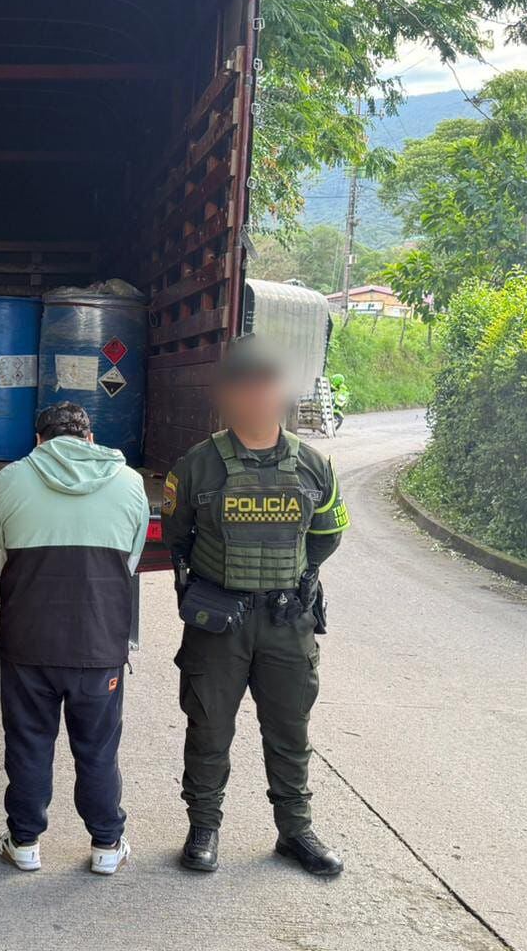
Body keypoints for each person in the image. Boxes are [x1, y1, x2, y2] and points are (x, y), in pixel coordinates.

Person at [162, 335, 350, 877]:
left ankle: (295, 831)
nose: (256, 395)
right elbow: (178, 537)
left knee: (290, 732)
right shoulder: (196, 466)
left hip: (288, 622)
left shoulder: (314, 465)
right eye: (244, 384)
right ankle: (203, 829)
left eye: (266, 383)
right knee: (209, 730)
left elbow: (327, 535)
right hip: (219, 622)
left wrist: (292, 578)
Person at [0, 401, 149, 876]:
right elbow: (131, 562)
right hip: (99, 644)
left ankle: (24, 843)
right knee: (98, 748)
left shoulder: (11, 479)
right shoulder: (131, 482)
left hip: (29, 641)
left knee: (29, 743)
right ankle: (105, 844)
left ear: (39, 441)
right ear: (90, 438)